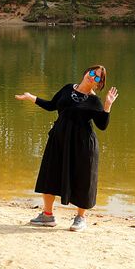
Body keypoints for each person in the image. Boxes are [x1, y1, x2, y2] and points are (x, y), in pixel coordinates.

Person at [15, 65, 118, 232]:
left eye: (97, 78)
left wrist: (107, 105)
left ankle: (80, 218)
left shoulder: (94, 101)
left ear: (98, 84)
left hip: (82, 145)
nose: (93, 77)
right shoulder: (67, 88)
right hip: (59, 139)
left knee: (83, 179)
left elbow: (102, 125)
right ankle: (47, 215)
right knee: (50, 174)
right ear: (86, 72)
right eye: (92, 73)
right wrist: (31, 97)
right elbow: (51, 106)